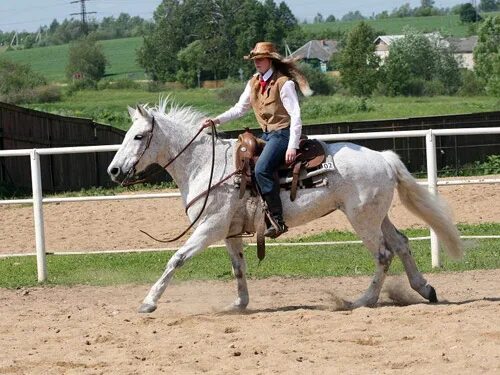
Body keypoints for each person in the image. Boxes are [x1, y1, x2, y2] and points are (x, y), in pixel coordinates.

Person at [202, 41, 312, 238]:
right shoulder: (253, 82)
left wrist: (292, 146)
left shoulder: (283, 83)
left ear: (270, 60)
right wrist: (216, 120)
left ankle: (277, 220)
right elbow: (239, 108)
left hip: (283, 133)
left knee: (261, 168)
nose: (256, 63)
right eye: (254, 60)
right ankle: (251, 211)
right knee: (242, 159)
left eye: (260, 59)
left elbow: (295, 115)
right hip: (267, 134)